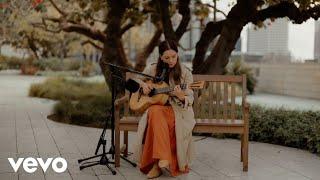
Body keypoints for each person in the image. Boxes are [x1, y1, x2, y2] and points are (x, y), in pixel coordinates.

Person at [132, 39, 196, 178]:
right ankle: (161, 159)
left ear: (177, 54)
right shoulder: (153, 69)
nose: (171, 60)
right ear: (160, 57)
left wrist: (181, 96)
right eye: (167, 58)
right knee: (155, 112)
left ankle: (156, 165)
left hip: (178, 112)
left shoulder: (185, 73)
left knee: (163, 120)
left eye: (174, 56)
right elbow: (135, 80)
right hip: (158, 109)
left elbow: (190, 98)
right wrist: (142, 85)